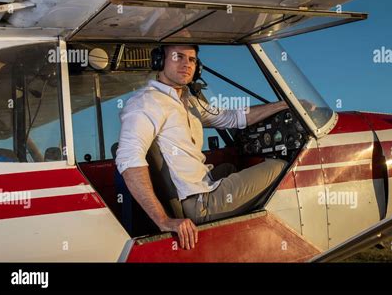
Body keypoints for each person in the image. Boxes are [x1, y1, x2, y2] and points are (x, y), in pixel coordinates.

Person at [115, 45, 288, 250]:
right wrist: (163, 220)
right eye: (178, 57)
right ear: (159, 61)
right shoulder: (146, 102)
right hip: (199, 203)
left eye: (192, 60)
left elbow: (231, 118)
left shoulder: (188, 101)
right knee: (282, 167)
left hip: (202, 186)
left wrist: (283, 105)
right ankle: (264, 243)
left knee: (229, 168)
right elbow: (128, 160)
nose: (186, 64)